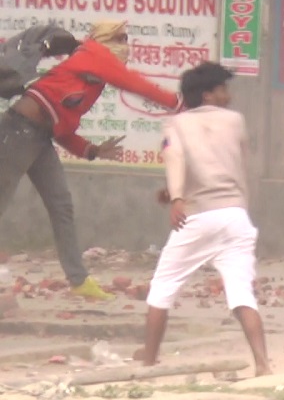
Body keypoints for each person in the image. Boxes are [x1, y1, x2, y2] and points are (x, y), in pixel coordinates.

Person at [0, 20, 183, 301]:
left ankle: (79, 280)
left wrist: (93, 150)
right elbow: (135, 83)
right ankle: (78, 279)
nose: (126, 45)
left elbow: (60, 129)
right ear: (105, 38)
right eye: (121, 38)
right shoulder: (94, 54)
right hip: (17, 131)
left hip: (39, 138)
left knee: (62, 207)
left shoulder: (92, 78)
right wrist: (179, 104)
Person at [134, 62, 271, 376]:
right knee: (241, 293)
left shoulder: (177, 125)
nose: (228, 95)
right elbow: (225, 165)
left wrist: (177, 195)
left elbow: (176, 158)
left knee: (162, 288)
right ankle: (262, 364)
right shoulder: (236, 121)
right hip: (235, 217)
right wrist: (175, 193)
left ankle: (149, 359)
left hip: (198, 216)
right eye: (223, 88)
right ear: (207, 94)